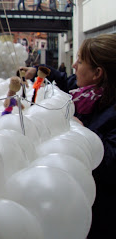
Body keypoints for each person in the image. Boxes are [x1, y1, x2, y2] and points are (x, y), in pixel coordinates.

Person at [20, 34, 116, 238]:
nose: (73, 65)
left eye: (80, 61)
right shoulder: (88, 96)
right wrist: (38, 71)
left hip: (102, 216)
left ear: (97, 73)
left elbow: (110, 162)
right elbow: (66, 79)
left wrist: (83, 133)